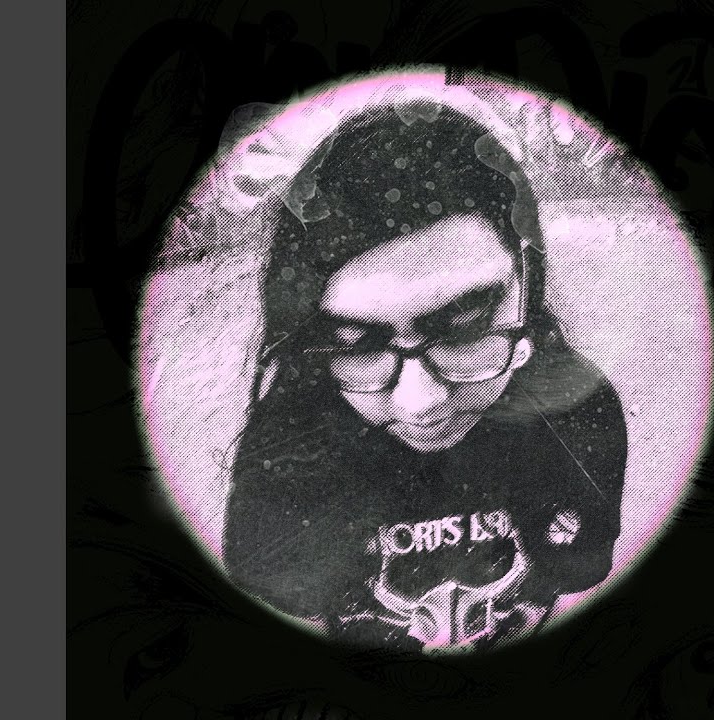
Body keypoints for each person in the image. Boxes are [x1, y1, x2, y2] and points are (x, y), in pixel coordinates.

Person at [223, 100, 628, 652]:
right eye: (357, 346)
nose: (420, 402)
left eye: (466, 330)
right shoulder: (290, 448)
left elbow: (578, 568)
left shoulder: (578, 416)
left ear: (528, 290)